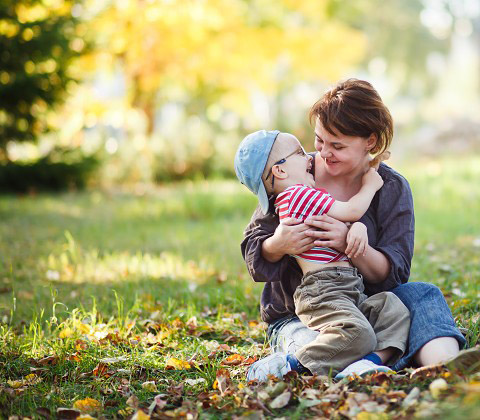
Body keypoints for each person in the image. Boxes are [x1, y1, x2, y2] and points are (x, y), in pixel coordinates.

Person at [241, 79, 470, 382]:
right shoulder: (294, 174)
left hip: (362, 299)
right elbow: (253, 246)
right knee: (320, 338)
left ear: (370, 143)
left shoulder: (390, 187)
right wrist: (279, 243)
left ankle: (444, 367)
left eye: (337, 146)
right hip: (302, 310)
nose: (322, 154)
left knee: (419, 296)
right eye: (319, 140)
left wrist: (351, 243)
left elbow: (393, 274)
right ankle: (310, 363)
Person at [235, 130, 410, 381]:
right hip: (324, 288)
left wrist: (357, 229)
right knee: (358, 334)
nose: (309, 157)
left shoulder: (300, 197)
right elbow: (351, 210)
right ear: (280, 171)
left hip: (346, 287)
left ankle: (362, 365)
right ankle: (288, 367)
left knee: (392, 310)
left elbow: (345, 223)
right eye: (298, 152)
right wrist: (370, 185)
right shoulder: (298, 195)